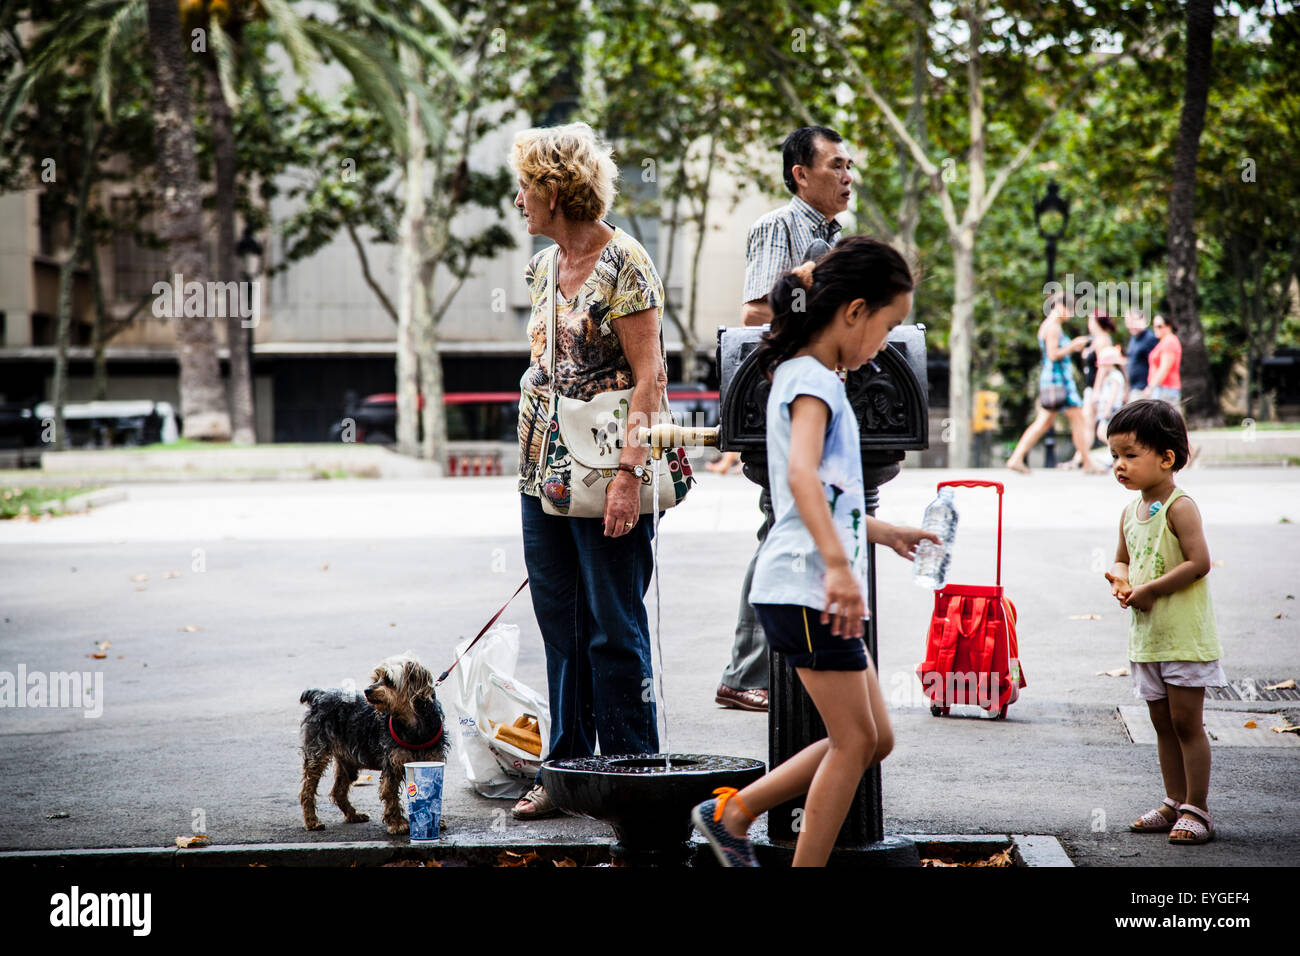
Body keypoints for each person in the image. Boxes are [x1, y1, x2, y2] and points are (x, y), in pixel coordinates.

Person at [690, 237, 940, 866]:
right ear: (854, 311)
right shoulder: (813, 382)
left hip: (802, 585)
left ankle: (734, 813)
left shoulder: (809, 375)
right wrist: (837, 567)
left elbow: (827, 494)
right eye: (886, 326)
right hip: (807, 587)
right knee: (854, 742)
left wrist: (884, 533)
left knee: (872, 738)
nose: (885, 343)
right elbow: (800, 477)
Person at [509, 121, 669, 820]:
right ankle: (568, 773)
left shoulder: (624, 261)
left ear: (552, 189)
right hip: (542, 470)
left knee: (613, 626)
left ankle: (632, 775)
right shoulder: (544, 267)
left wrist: (631, 473)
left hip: (608, 470)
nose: (518, 201)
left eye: (523, 187)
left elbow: (650, 377)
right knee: (561, 627)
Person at [716, 125, 854, 713]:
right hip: (788, 395)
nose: (848, 177)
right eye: (836, 166)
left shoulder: (836, 234)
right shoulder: (779, 227)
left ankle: (790, 664)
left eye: (850, 167)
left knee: (802, 522)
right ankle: (745, 672)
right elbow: (754, 312)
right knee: (781, 527)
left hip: (826, 391)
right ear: (801, 173)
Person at [1104, 399, 1225, 845]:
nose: (1119, 465)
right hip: (1149, 638)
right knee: (1160, 723)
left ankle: (1198, 808)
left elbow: (1200, 562)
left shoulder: (1180, 506)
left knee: (1186, 723)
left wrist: (1150, 589)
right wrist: (1119, 578)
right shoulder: (1130, 512)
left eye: (1130, 455)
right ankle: (1174, 802)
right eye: (1114, 456)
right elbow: (1122, 559)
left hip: (1184, 637)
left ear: (1166, 458)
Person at [1004, 294, 1105, 475]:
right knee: (1077, 418)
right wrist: (1073, 346)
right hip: (1058, 380)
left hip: (1054, 380)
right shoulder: (1053, 327)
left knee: (1045, 422)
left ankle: (1016, 458)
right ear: (1059, 306)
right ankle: (1087, 462)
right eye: (1070, 309)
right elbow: (1053, 354)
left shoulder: (1050, 326)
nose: (1071, 314)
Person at [1092, 345, 1128, 444]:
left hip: (1111, 409)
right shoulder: (1112, 376)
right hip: (1109, 408)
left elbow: (1113, 394)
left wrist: (1107, 409)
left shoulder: (1115, 376)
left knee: (1102, 433)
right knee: (1105, 433)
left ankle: (1116, 452)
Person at [1124, 309, 1157, 401]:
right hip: (1134, 388)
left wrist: (1150, 387)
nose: (1130, 325)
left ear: (1142, 319)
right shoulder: (1133, 339)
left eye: (1132, 321)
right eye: (1128, 322)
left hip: (1145, 388)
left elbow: (1155, 364)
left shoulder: (1150, 339)